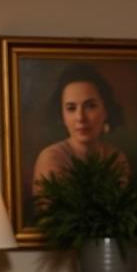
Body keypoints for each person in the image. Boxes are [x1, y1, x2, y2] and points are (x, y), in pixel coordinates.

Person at [31, 62, 131, 190]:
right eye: (71, 108)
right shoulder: (51, 158)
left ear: (106, 110)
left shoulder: (116, 158)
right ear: (62, 115)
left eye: (90, 106)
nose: (80, 117)